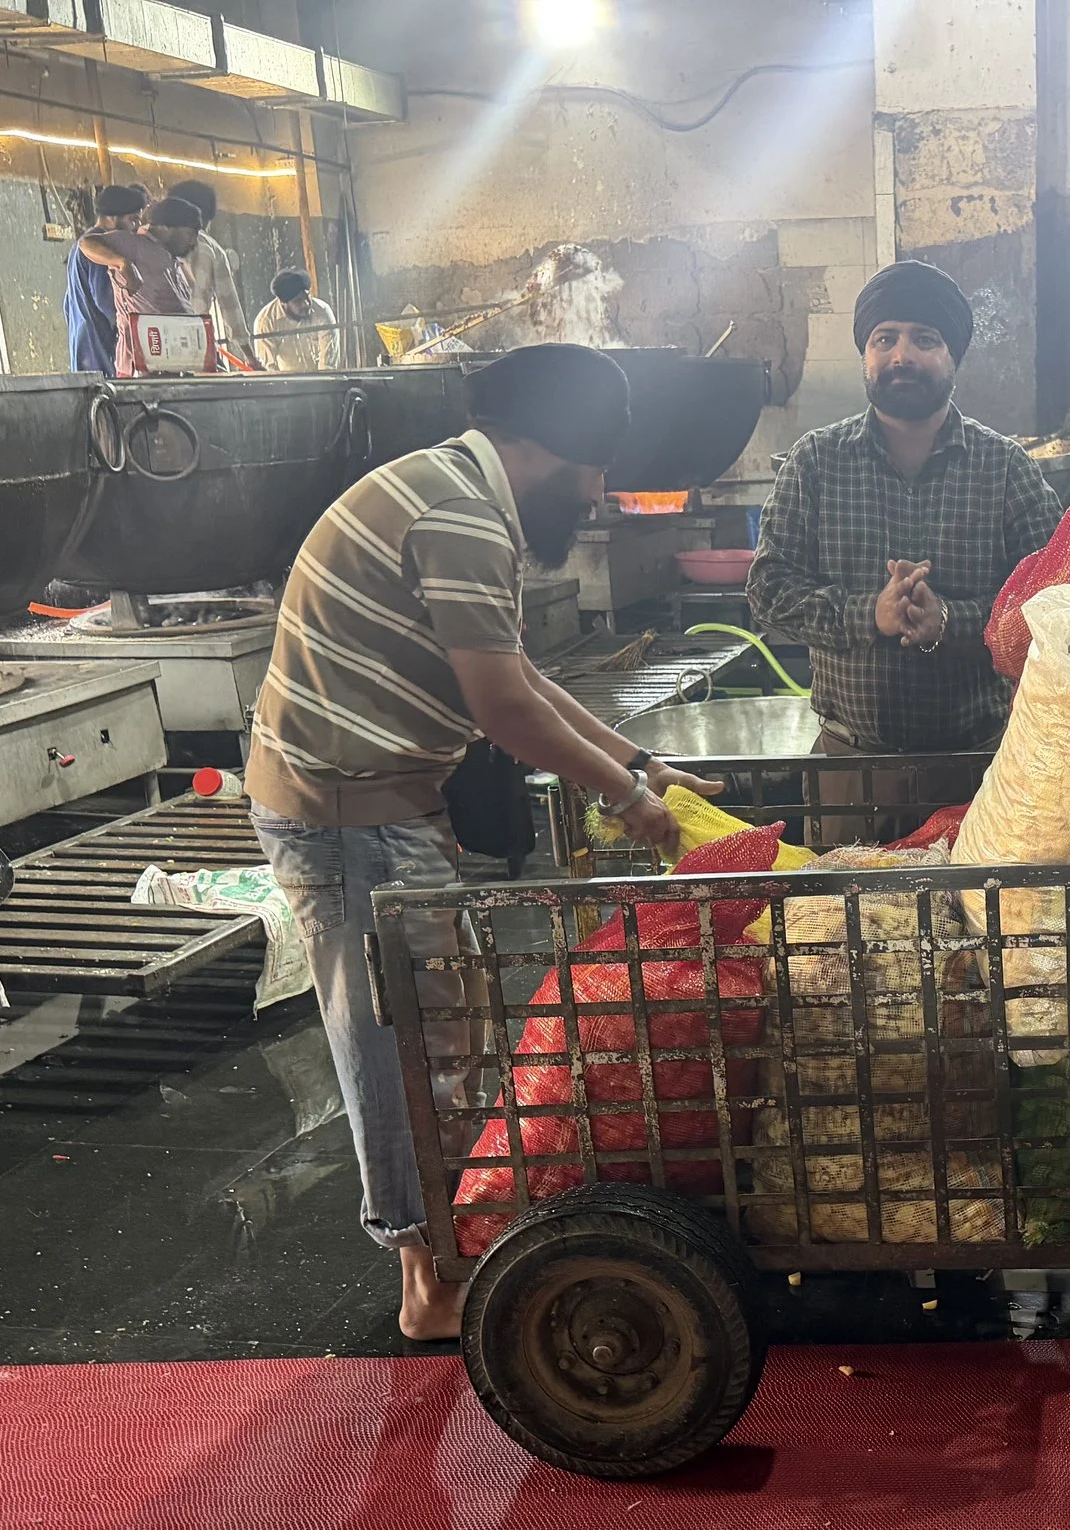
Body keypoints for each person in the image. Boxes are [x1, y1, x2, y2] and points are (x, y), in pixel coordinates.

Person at [245, 344, 720, 1342]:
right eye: (597, 475)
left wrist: (638, 760)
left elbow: (521, 676)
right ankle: (427, 1278)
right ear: (557, 450)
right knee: (400, 1038)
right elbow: (503, 709)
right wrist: (627, 799)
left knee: (435, 1028)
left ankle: (445, 1250)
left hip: (373, 797)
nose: (596, 500)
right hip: (344, 810)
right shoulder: (459, 514)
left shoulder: (457, 488)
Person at [748, 259, 1063, 766]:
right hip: (847, 766)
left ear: (952, 356)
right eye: (884, 338)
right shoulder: (815, 462)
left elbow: (1054, 599)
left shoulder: (1005, 467)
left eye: (925, 339)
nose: (902, 356)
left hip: (981, 769)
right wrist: (869, 614)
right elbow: (768, 588)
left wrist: (950, 621)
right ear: (865, 354)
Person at [76, 196, 200, 378]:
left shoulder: (172, 260)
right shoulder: (134, 244)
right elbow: (86, 244)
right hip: (142, 372)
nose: (193, 243)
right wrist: (122, 263)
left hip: (173, 368)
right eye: (190, 235)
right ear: (166, 228)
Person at [166, 179, 257, 365]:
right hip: (193, 341)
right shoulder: (211, 250)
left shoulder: (145, 238)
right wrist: (250, 357)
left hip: (155, 341)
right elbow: (230, 307)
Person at [64, 184, 144, 374]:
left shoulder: (79, 247)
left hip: (82, 343)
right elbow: (107, 302)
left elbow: (67, 305)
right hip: (99, 347)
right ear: (113, 218)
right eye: (133, 220)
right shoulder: (102, 248)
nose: (137, 227)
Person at [254, 268, 340, 373]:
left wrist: (322, 386)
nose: (306, 304)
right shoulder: (266, 322)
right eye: (298, 301)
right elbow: (269, 369)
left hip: (319, 378)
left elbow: (327, 366)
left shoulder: (322, 312)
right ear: (283, 302)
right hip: (285, 383)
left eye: (307, 296)